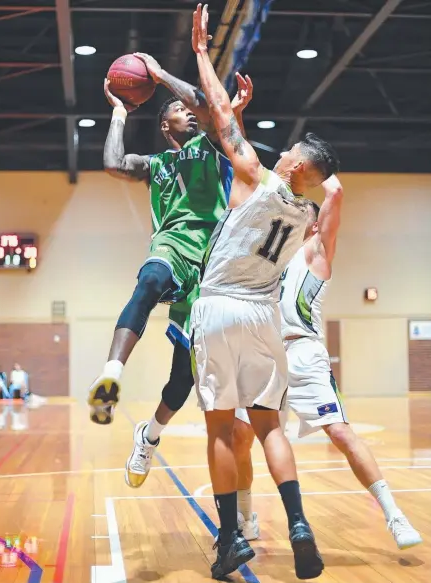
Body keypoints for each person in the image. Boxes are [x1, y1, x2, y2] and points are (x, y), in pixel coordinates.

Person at [189, 4, 340, 579]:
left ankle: (229, 539)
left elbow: (221, 119)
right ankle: (299, 523)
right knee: (270, 423)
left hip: (220, 307)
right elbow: (247, 173)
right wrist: (242, 126)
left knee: (222, 428)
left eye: (291, 152)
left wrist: (204, 54)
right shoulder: (303, 212)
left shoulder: (260, 177)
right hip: (263, 317)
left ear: (296, 161)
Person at [87, 51, 252, 484]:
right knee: (149, 281)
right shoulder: (155, 165)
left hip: (211, 267)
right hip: (171, 246)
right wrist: (119, 114)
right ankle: (110, 376)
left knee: (183, 380)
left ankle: (149, 437)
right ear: (164, 125)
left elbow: (205, 103)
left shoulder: (210, 145)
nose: (188, 115)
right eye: (178, 112)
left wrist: (159, 76)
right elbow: (112, 164)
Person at [232, 179, 423, 550]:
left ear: (315, 223)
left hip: (304, 355)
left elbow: (334, 196)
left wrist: (319, 173)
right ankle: (245, 517)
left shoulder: (315, 250)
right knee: (240, 437)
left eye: (303, 209)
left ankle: (394, 515)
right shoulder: (273, 257)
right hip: (264, 355)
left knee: (340, 433)